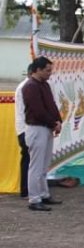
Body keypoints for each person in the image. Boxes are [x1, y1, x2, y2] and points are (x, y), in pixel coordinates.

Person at [22, 56, 62, 211]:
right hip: (37, 128)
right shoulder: (30, 87)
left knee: (44, 166)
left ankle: (44, 194)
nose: (49, 73)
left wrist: (58, 121)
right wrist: (53, 123)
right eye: (47, 70)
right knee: (36, 166)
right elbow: (38, 110)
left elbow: (51, 105)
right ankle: (34, 198)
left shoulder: (43, 85)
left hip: (46, 127)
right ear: (37, 70)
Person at [14, 64, 33, 198]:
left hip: (27, 128)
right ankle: (26, 189)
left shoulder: (31, 86)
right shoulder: (27, 87)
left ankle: (28, 188)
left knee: (30, 159)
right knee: (28, 159)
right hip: (26, 129)